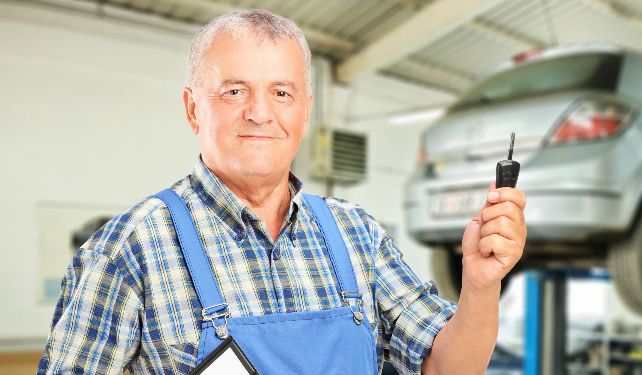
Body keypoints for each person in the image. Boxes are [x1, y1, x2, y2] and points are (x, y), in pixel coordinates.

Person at [37, 9, 526, 375]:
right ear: (193, 109)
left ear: (305, 112)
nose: (259, 112)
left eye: (281, 92)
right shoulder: (129, 250)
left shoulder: (357, 235)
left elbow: (446, 367)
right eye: (234, 91)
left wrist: (480, 286)